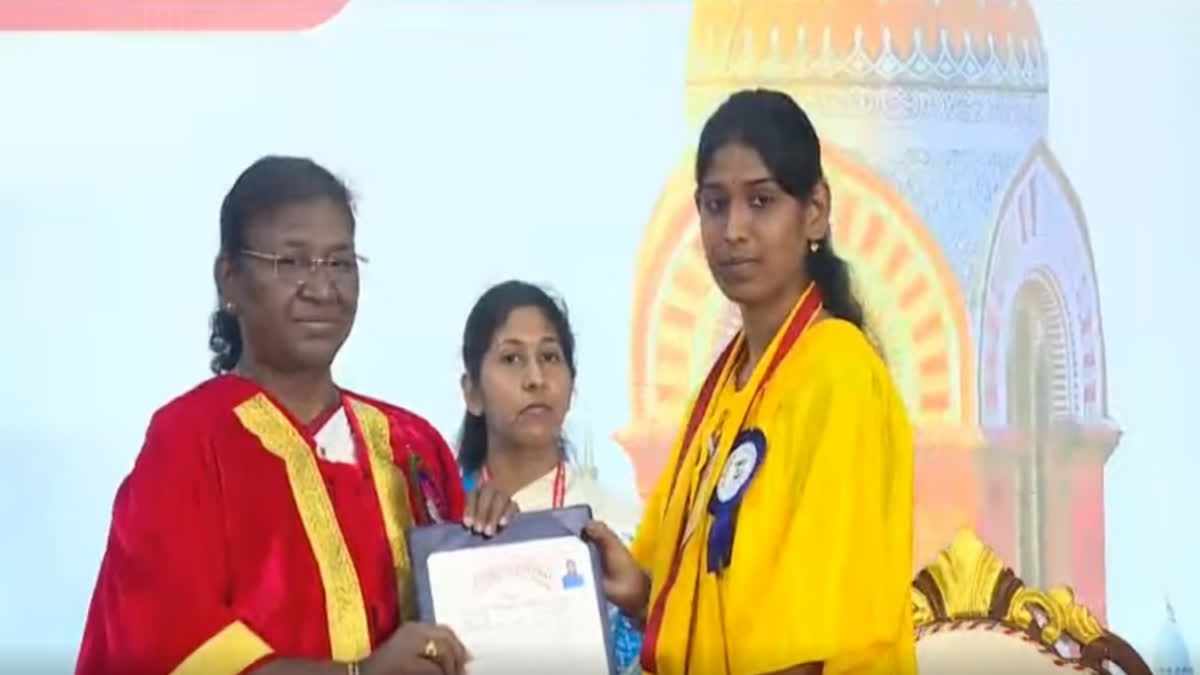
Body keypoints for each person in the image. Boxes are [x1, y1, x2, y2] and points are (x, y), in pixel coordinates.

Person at [76, 156, 517, 675]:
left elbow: (472, 631)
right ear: (230, 279)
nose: (323, 288)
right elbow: (171, 650)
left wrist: (501, 546)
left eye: (340, 262)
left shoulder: (411, 444)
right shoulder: (189, 442)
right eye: (292, 262)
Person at [585, 89, 916, 675]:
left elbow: (809, 647)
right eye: (715, 206)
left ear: (814, 211)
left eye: (760, 201)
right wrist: (638, 590)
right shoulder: (726, 384)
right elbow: (700, 595)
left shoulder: (837, 372)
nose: (733, 230)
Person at [455, 280, 644, 673]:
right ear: (472, 392)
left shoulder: (621, 529)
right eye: (511, 359)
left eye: (550, 357)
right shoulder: (440, 520)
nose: (536, 379)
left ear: (572, 386)